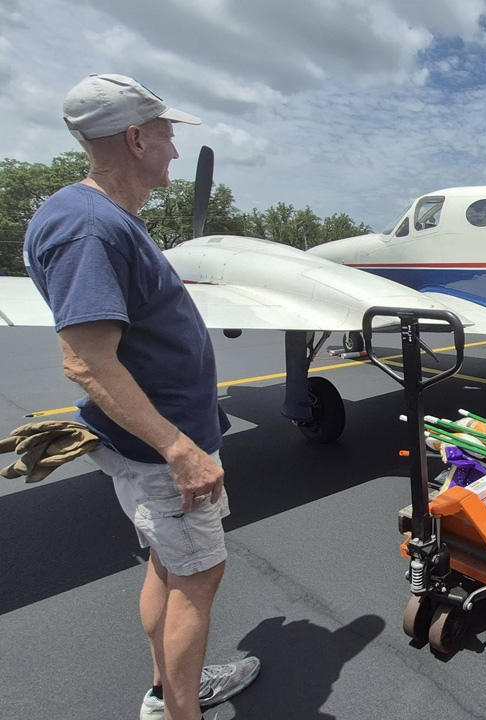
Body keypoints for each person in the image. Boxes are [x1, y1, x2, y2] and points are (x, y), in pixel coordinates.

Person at [23, 74, 259, 720]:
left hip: (154, 443)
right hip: (160, 454)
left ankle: (168, 686)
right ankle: (179, 710)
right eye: (165, 135)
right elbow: (86, 361)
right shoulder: (89, 229)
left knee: (169, 563)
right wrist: (180, 450)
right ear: (134, 138)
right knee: (198, 576)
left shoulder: (100, 219)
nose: (174, 151)